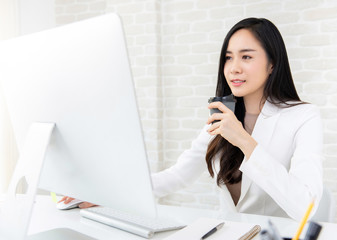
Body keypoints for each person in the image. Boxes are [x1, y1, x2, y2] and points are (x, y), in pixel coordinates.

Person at [60, 17, 323, 221]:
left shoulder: (303, 117)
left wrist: (244, 140)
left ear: (272, 64)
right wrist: (107, 192)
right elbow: (178, 176)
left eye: (247, 57)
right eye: (228, 58)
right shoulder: (224, 113)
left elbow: (305, 207)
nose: (234, 67)